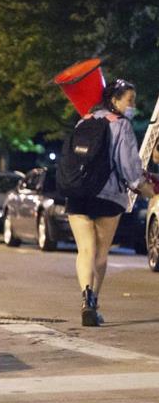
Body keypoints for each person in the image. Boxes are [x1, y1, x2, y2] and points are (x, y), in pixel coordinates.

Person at [66, 79, 155, 326]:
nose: (133, 105)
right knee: (101, 253)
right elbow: (129, 168)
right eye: (130, 100)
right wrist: (144, 188)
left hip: (77, 194)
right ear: (115, 101)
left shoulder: (84, 121)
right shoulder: (122, 126)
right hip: (107, 196)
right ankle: (94, 301)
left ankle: (85, 298)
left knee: (85, 250)